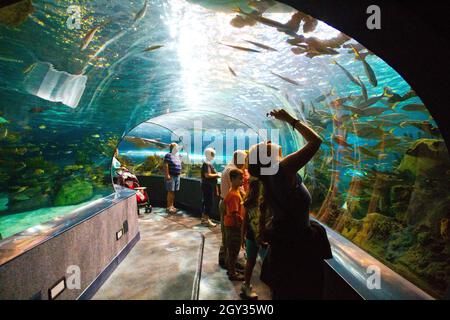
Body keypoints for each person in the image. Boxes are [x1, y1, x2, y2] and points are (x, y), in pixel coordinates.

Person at [247, 108, 332, 300]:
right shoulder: (280, 171)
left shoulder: (272, 176)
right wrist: (289, 119)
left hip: (284, 248)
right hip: (297, 251)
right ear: (266, 158)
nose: (269, 141)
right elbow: (316, 142)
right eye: (265, 144)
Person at [218, 150, 247, 268]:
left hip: (225, 202)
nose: (245, 162)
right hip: (229, 206)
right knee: (230, 235)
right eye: (244, 160)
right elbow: (237, 189)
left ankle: (225, 259)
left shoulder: (229, 167)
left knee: (226, 233)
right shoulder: (232, 170)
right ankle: (228, 262)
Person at [240, 177, 265, 300]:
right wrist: (242, 237)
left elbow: (245, 222)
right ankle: (246, 285)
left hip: (256, 237)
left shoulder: (260, 202)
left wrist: (242, 236)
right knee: (251, 261)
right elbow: (245, 221)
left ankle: (246, 284)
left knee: (251, 261)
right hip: (253, 237)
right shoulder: (250, 203)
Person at [224, 168, 245, 281]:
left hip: (231, 226)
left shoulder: (235, 192)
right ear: (232, 179)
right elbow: (234, 214)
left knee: (232, 249)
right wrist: (239, 227)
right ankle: (232, 273)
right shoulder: (234, 195)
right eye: (240, 179)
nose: (242, 181)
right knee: (233, 250)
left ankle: (231, 269)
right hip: (233, 226)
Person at [200, 148, 219, 227]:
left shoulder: (207, 163)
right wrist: (218, 174)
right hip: (208, 186)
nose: (213, 156)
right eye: (213, 154)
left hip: (208, 186)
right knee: (208, 202)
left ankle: (205, 218)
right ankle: (206, 220)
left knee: (206, 202)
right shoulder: (207, 164)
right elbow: (207, 175)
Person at [164, 143, 182, 214]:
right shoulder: (168, 155)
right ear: (172, 148)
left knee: (173, 191)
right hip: (171, 176)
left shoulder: (177, 156)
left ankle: (172, 206)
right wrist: (167, 175)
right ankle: (168, 207)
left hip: (177, 176)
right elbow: (166, 165)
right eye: (176, 147)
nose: (178, 148)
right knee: (170, 191)